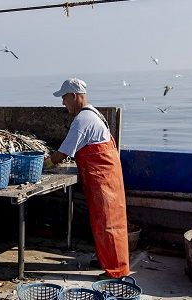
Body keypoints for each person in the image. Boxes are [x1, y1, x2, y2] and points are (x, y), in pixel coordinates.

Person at [43, 78, 130, 279]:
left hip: (104, 180)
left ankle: (116, 271)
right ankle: (105, 260)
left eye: (64, 98)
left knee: (110, 223)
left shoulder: (82, 120)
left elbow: (62, 153)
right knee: (102, 222)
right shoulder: (93, 114)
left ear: (74, 96)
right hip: (103, 177)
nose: (63, 103)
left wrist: (45, 163)